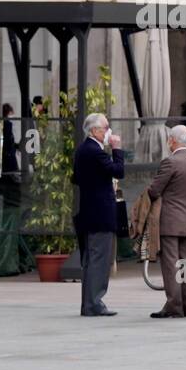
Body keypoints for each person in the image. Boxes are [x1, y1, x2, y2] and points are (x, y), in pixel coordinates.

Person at [146, 125, 186, 319]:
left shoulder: (170, 162)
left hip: (170, 221)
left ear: (173, 140)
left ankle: (174, 306)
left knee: (171, 264)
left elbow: (154, 190)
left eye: (169, 138)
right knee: (185, 263)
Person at [72, 113, 124, 317]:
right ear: (94, 130)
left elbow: (76, 177)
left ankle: (89, 303)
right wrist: (117, 148)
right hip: (100, 213)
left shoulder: (82, 150)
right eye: (105, 128)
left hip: (88, 210)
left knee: (91, 260)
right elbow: (118, 171)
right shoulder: (95, 151)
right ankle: (94, 303)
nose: (108, 131)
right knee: (99, 260)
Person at [0, 102, 19, 175]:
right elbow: (8, 140)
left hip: (7, 154)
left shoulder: (2, 123)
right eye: (11, 113)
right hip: (9, 155)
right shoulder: (7, 124)